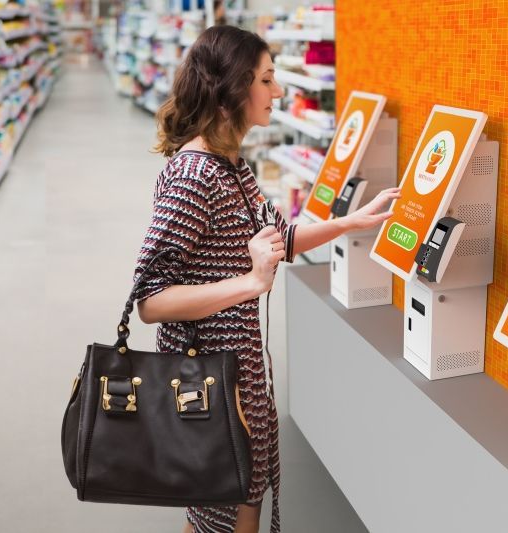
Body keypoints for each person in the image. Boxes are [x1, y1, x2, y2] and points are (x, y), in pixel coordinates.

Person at [131, 25, 400, 533]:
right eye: (267, 79)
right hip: (207, 379)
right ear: (232, 89)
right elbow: (151, 300)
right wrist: (252, 284)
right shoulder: (195, 176)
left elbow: (280, 238)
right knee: (231, 508)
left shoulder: (234, 166)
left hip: (240, 371)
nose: (278, 90)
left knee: (225, 506)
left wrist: (350, 223)